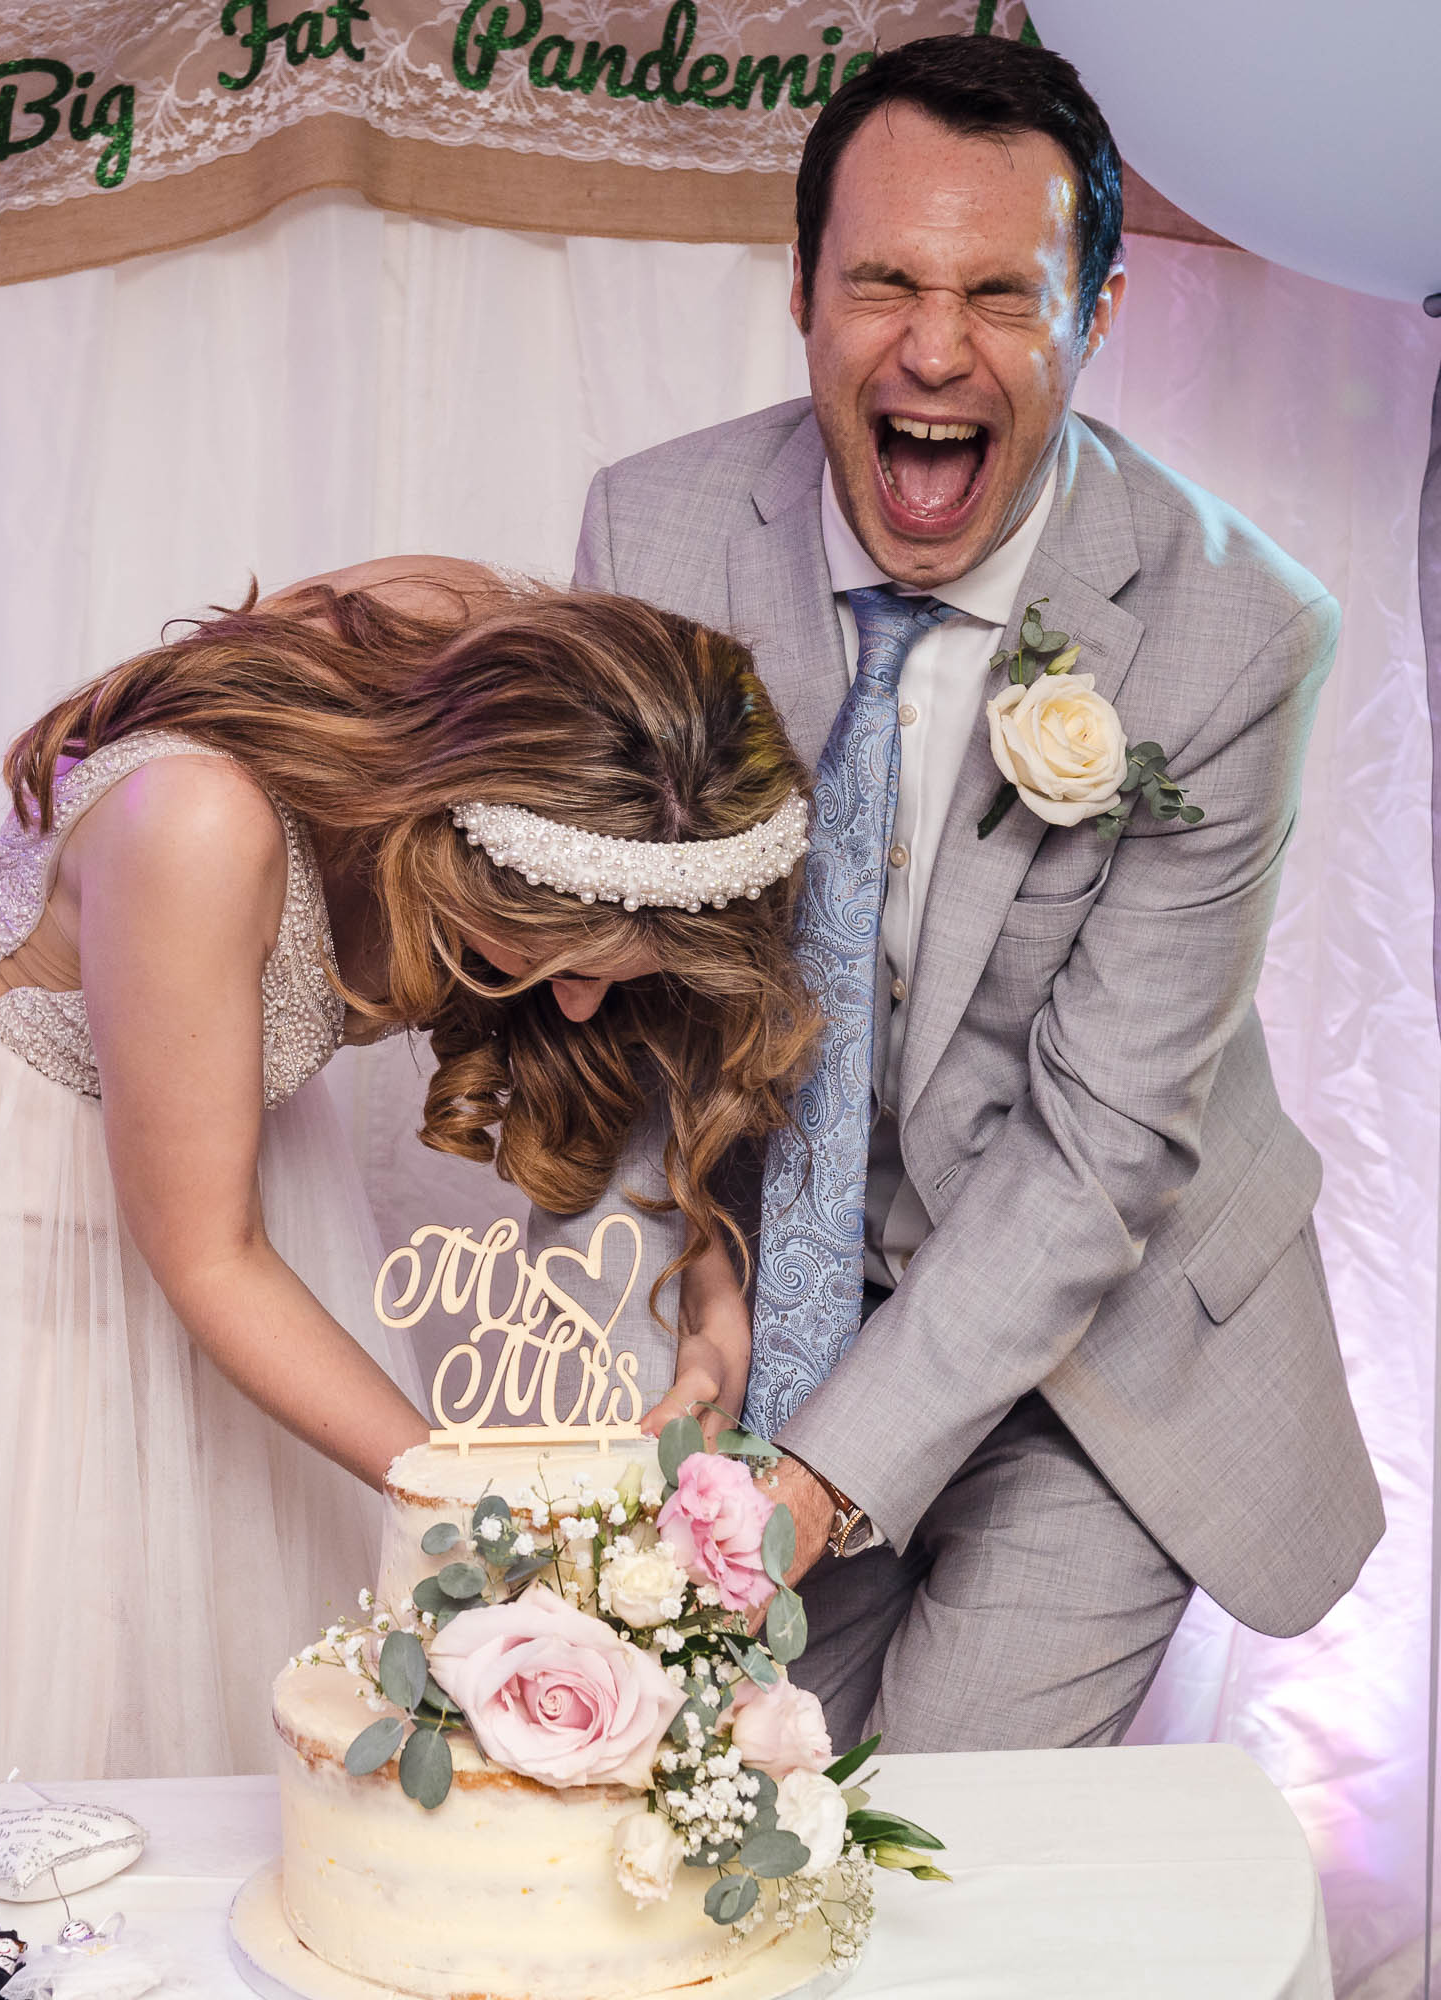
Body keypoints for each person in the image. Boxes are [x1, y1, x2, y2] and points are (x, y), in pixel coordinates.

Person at [552, 35, 1383, 1752]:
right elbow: (638, 977)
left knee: (933, 1854)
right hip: (793, 1322)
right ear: (799, 291)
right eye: (884, 282)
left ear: (1099, 315)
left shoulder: (1240, 631)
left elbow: (1102, 1154)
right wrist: (702, 1273)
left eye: (1003, 293)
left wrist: (818, 1483)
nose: (937, 348)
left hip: (1108, 1362)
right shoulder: (655, 536)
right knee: (703, 1814)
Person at [0, 557, 818, 1784]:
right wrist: (478, 1505)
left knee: (237, 1635)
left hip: (227, 1160)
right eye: (555, 954)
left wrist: (713, 1323)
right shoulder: (197, 825)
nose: (576, 1001)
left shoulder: (536, 714)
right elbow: (205, 1249)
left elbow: (637, 1071)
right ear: (467, 832)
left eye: (615, 971)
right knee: (47, 1654)